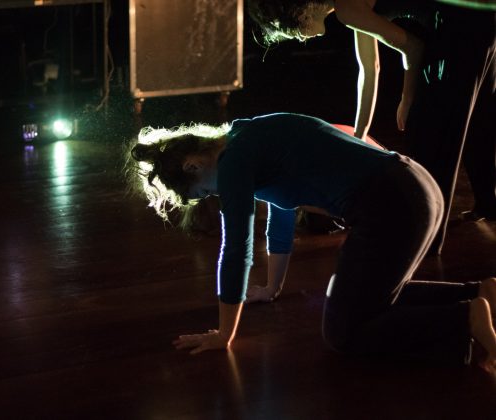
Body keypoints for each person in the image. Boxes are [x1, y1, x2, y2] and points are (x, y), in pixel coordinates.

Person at [125, 112, 496, 372]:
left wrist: (225, 334)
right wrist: (272, 286)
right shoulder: (250, 136)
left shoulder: (235, 160)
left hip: (391, 203)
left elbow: (236, 248)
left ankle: (464, 319)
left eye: (204, 190)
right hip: (414, 185)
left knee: (344, 333)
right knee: (350, 295)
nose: (213, 195)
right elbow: (282, 216)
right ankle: (479, 292)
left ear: (192, 165)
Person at [247, 0, 496, 254]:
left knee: (432, 135)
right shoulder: (348, 8)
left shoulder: (347, 10)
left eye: (296, 32)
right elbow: (369, 69)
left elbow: (413, 46)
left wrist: (407, 98)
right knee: (480, 115)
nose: (300, 40)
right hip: (471, 22)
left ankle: (426, 240)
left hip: (460, 24)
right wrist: (359, 135)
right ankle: (489, 202)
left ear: (301, 11)